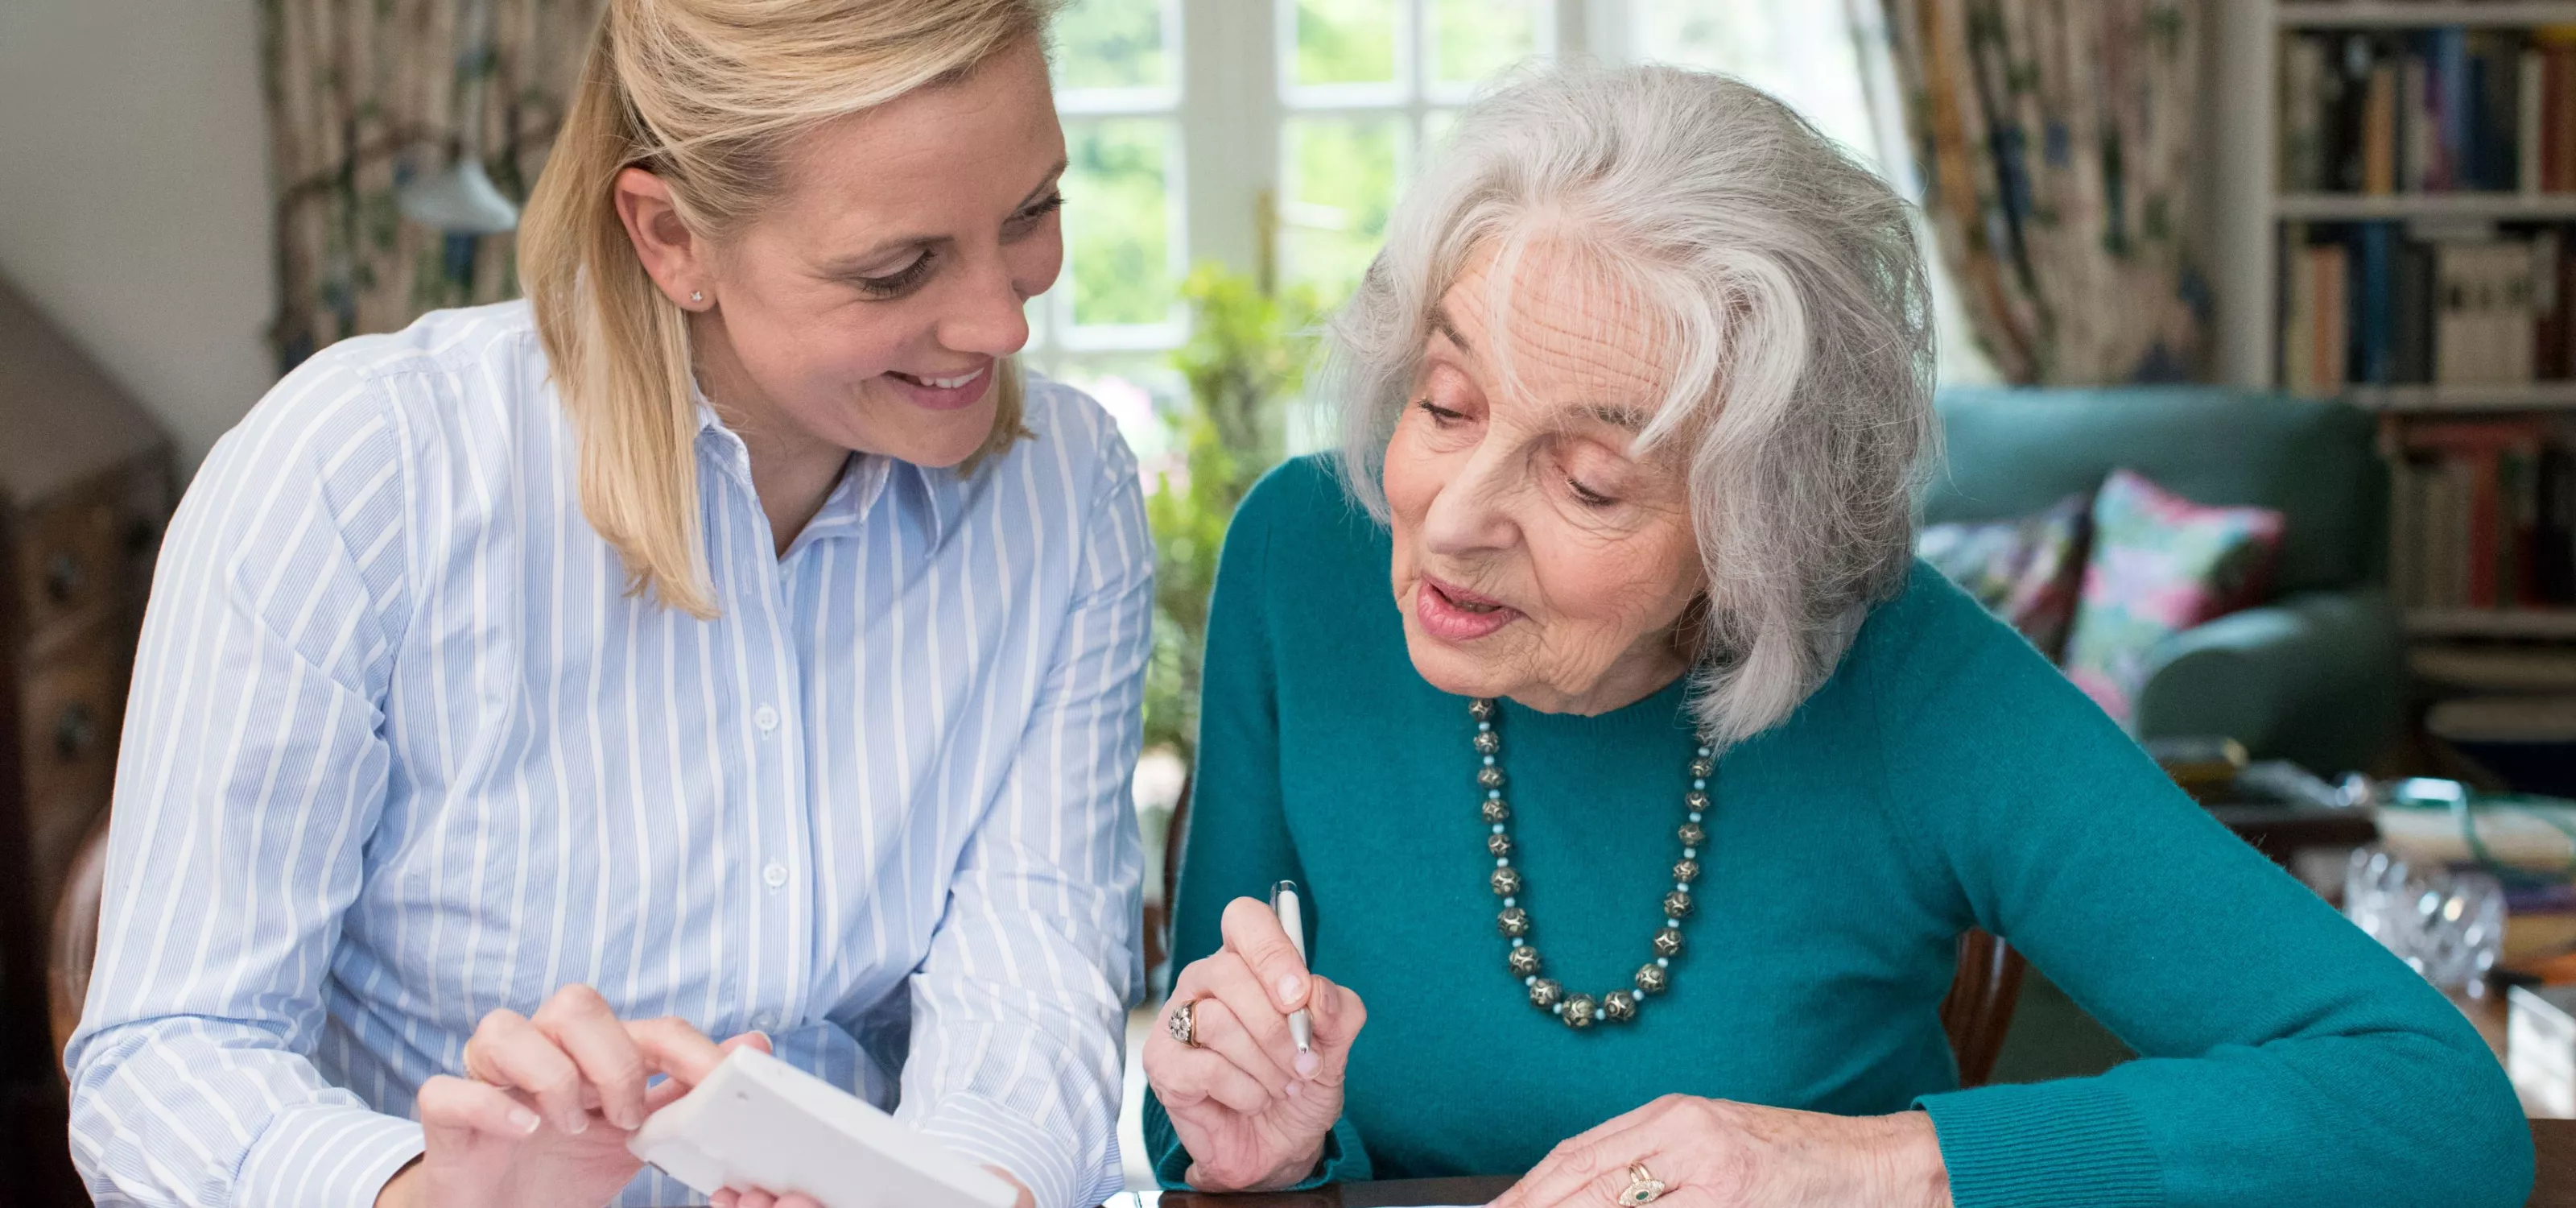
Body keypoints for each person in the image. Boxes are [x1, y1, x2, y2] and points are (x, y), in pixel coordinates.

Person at [1142, 63, 2533, 1208]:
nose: (1449, 522)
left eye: (1587, 483)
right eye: (1446, 405)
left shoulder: (1917, 686)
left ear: (1759, 531)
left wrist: (1871, 1163)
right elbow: (1202, 1110)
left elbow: (2430, 1107)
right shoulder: (1305, 561)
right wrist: (1262, 1142)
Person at [67, 3, 1150, 1206]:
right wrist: (423, 1193)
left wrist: (947, 1193)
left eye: (1033, 213)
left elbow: (1032, 987)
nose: (1003, 321)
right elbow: (165, 1052)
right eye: (895, 269)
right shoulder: (360, 476)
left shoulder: (1065, 486)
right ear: (672, 234)